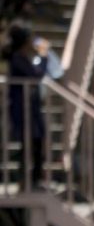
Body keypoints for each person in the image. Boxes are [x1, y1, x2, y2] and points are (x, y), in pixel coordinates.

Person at [3, 22, 48, 189]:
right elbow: (35, 76)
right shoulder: (17, 58)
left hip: (30, 109)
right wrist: (43, 56)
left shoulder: (22, 57)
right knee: (29, 144)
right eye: (29, 38)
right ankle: (28, 181)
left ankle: (33, 179)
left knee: (36, 143)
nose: (32, 42)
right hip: (23, 110)